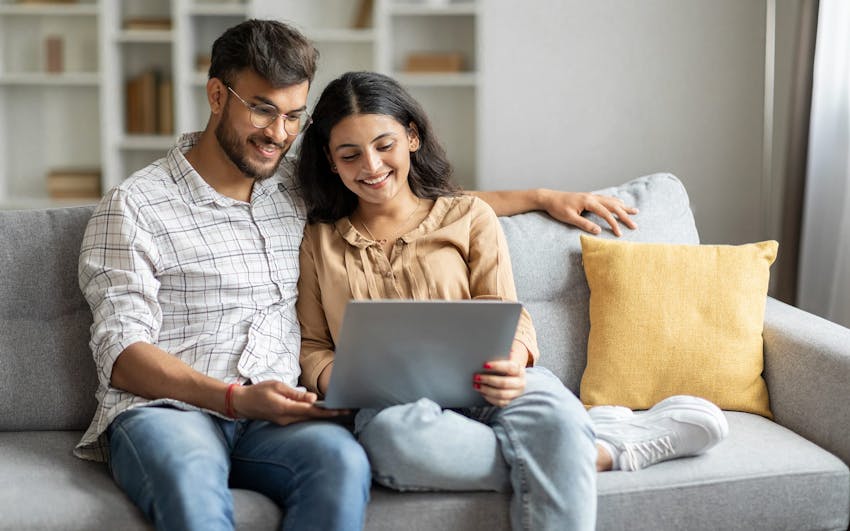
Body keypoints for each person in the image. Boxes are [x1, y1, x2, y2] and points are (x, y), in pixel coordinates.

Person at [73, 19, 655, 531]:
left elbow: (413, 202)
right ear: (217, 95)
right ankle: (578, 458)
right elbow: (120, 352)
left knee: (342, 463)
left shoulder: (290, 185)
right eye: (262, 109)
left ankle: (568, 452)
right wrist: (237, 399)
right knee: (190, 481)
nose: (278, 133)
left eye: (293, 116)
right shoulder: (135, 205)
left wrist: (541, 197)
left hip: (278, 415)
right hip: (173, 410)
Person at [293, 71, 729, 530]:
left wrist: (513, 364)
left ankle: (569, 440)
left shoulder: (468, 215)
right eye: (350, 154)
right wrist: (344, 381)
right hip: (392, 406)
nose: (371, 165)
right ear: (331, 161)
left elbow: (507, 311)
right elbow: (313, 345)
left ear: (412, 138)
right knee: (396, 444)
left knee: (554, 419)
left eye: (385, 145)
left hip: (491, 383)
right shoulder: (317, 241)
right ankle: (599, 449)